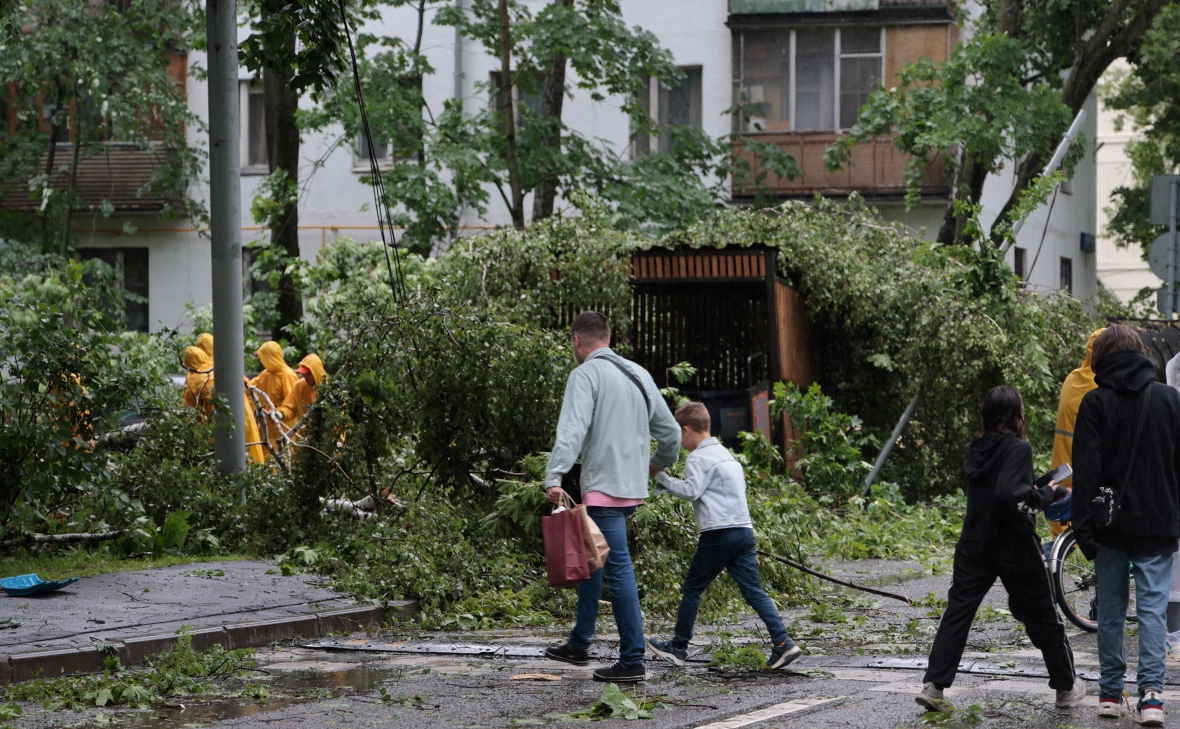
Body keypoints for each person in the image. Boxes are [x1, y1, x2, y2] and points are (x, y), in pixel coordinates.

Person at [916, 385, 1085, 713]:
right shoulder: (1018, 448)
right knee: (1041, 613)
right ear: (1016, 415)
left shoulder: (975, 447)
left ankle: (934, 686)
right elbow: (1014, 496)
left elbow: (1000, 485)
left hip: (974, 542)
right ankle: (1066, 686)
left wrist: (1036, 483)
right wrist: (1048, 493)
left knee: (958, 613)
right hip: (1014, 545)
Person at [542, 311, 681, 683]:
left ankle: (633, 659)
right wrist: (655, 466)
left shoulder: (585, 375)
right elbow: (672, 436)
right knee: (594, 558)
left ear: (576, 341)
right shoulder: (639, 375)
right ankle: (578, 643)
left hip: (603, 487)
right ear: (608, 336)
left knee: (618, 570)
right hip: (631, 488)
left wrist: (554, 475)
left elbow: (572, 430)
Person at [1073, 324, 1180, 725]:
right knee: (1153, 611)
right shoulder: (1169, 399)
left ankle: (1110, 694)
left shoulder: (1095, 402)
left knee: (1113, 612)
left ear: (1101, 357)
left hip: (1110, 527)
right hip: (1157, 523)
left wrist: (1083, 530)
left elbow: (1086, 471)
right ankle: (1151, 696)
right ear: (1140, 353)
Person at [646, 402, 800, 670]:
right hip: (744, 532)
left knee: (692, 588)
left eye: (679, 437)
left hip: (718, 533)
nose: (680, 444)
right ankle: (783, 642)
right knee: (753, 590)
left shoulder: (697, 458)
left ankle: (678, 648)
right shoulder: (728, 456)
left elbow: (691, 491)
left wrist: (662, 477)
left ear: (686, 430)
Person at [1047, 328, 1105, 539]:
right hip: (1086, 460)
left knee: (1063, 515)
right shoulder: (1101, 385)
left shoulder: (1072, 379)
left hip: (1063, 463)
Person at [182, 340, 265, 464]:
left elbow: (191, 411)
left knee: (225, 464)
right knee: (249, 457)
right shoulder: (221, 367)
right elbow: (250, 390)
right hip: (244, 415)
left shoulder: (195, 379)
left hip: (218, 424)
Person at [249, 341, 299, 454]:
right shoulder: (266, 374)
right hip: (267, 430)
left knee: (281, 463)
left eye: (263, 357)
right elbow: (250, 386)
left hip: (284, 430)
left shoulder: (288, 376)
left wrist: (279, 413)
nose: (261, 361)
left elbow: (292, 404)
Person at [277, 353, 326, 433]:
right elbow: (290, 407)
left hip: (327, 438)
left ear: (316, 372)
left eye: (308, 374)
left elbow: (340, 420)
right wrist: (281, 413)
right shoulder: (299, 386)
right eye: (304, 374)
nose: (305, 377)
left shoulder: (329, 389)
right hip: (305, 437)